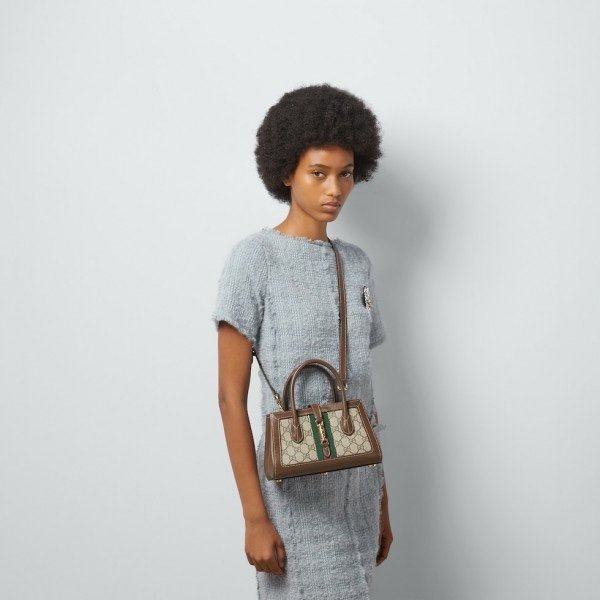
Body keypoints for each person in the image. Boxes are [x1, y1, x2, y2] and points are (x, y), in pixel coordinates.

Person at [211, 82, 393, 599]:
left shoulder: (356, 264)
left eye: (346, 173)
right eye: (318, 173)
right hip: (292, 500)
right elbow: (229, 397)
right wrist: (254, 518)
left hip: (358, 492)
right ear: (286, 172)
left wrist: (382, 501)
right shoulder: (254, 259)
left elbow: (364, 393)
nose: (335, 189)